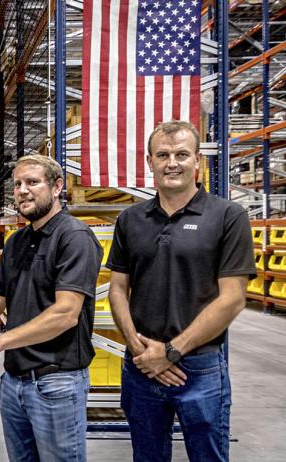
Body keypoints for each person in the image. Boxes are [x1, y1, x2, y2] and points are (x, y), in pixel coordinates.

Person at [106, 120, 256, 461]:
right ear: (149, 161)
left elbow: (232, 297)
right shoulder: (130, 220)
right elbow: (117, 288)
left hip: (199, 368)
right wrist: (137, 347)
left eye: (181, 154)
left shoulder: (228, 216)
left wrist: (172, 351)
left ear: (198, 161)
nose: (171, 162)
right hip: (141, 366)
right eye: (162, 155)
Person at [0, 154, 102, 461]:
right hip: (14, 382)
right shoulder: (16, 242)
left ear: (57, 187)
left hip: (56, 382)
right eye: (18, 185)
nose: (23, 191)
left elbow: (66, 314)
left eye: (32, 182)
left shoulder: (74, 237)